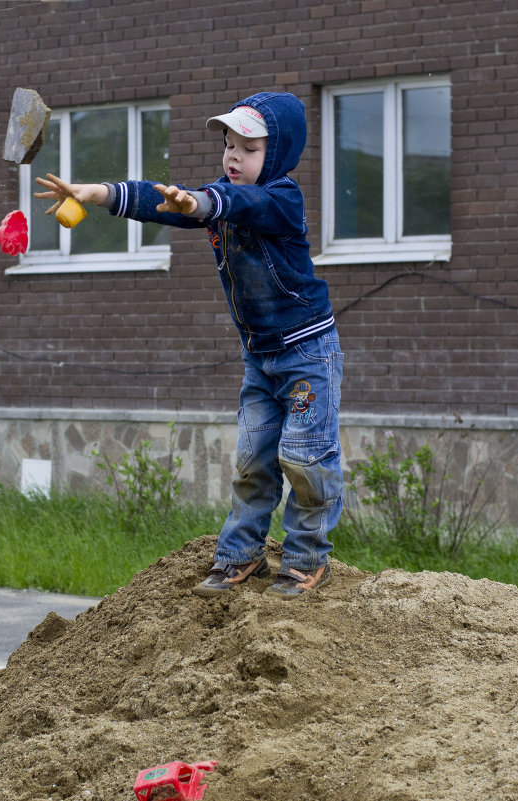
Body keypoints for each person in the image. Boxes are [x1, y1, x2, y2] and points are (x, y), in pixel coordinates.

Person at [34, 91, 344, 600]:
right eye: (229, 144)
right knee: (252, 458)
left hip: (307, 351)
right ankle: (241, 554)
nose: (233, 156)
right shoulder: (217, 194)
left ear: (279, 153)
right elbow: (171, 202)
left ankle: (307, 559)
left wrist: (200, 203)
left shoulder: (281, 198)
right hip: (260, 356)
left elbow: (237, 203)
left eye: (249, 147)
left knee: (304, 458)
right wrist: (97, 193)